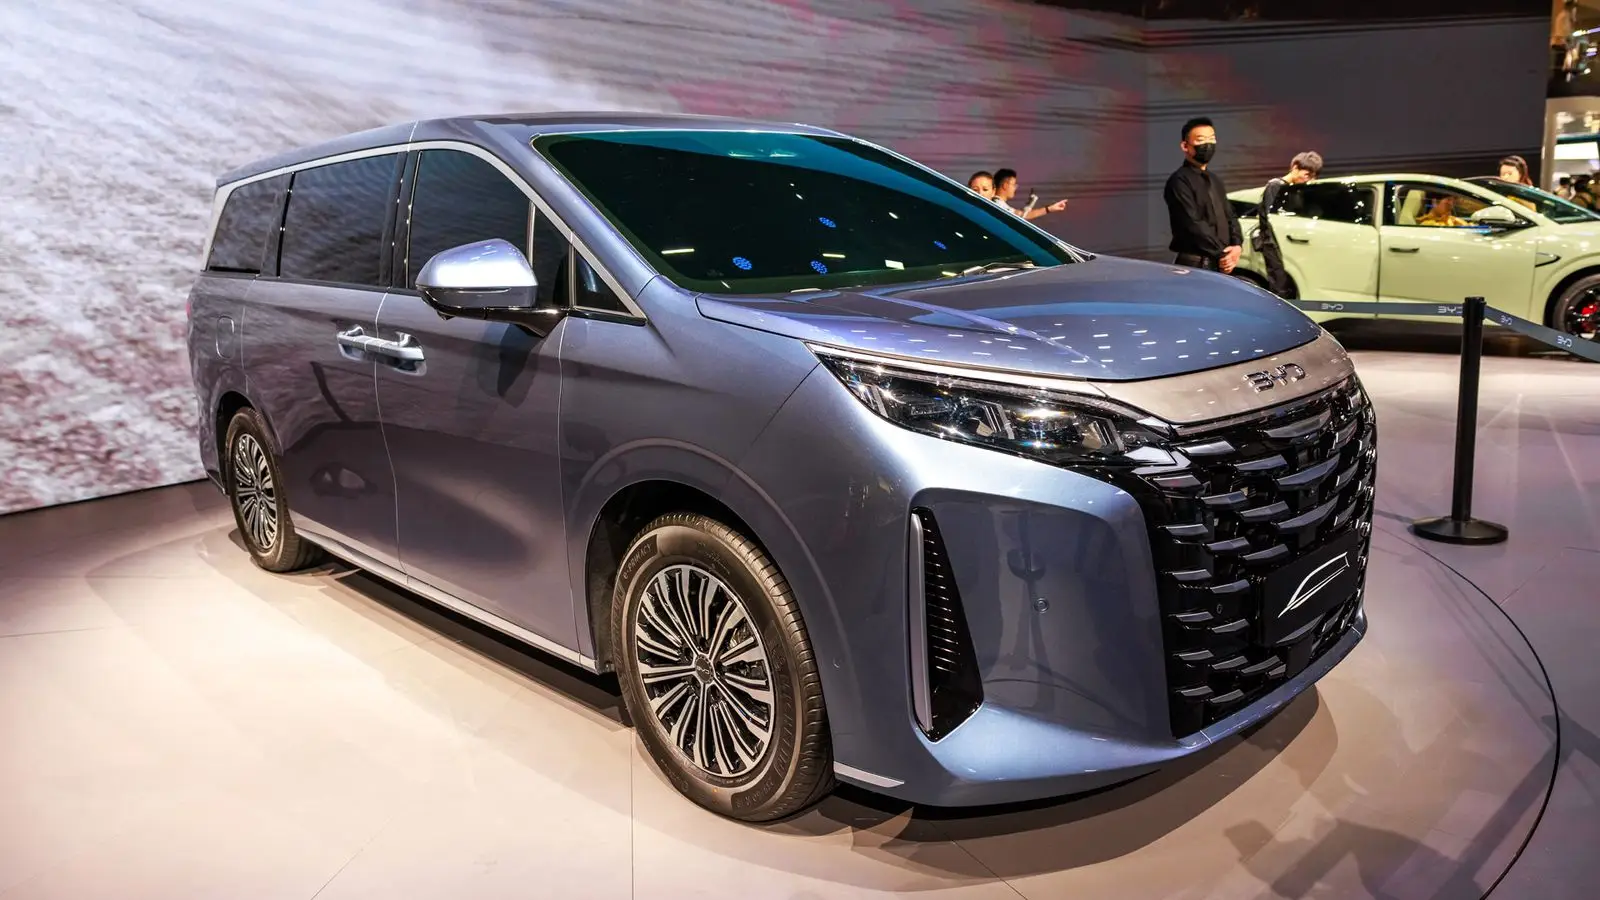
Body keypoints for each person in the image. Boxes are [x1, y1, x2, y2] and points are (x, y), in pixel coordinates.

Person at [1163, 116, 1242, 272]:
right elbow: (1192, 223)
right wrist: (1222, 253)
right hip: (1195, 263)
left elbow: (1230, 216)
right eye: (1200, 140)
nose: (1208, 144)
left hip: (1220, 262)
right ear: (1185, 146)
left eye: (1211, 139)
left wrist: (1237, 245)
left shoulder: (1215, 180)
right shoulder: (1179, 180)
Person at [1255, 150, 1323, 297]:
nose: (1310, 180)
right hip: (1274, 244)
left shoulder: (1295, 190)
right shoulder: (1276, 186)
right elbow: (1268, 218)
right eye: (1307, 175)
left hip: (1287, 244)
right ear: (1295, 168)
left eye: (1313, 177)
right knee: (1279, 287)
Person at [992, 167, 1068, 220]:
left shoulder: (999, 204)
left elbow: (1021, 215)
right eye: (1014, 185)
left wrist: (1049, 208)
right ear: (1005, 185)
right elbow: (1022, 216)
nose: (1015, 188)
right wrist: (1049, 209)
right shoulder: (997, 204)